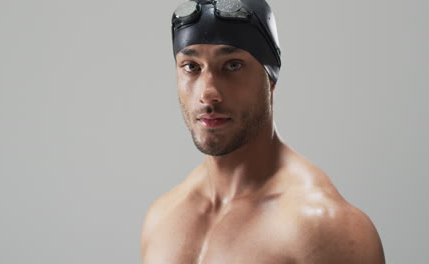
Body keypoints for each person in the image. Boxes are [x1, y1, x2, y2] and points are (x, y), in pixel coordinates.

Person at [140, 0, 385, 263]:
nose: (207, 93)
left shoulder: (324, 227)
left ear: (270, 77)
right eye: (191, 67)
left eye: (232, 65)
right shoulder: (162, 216)